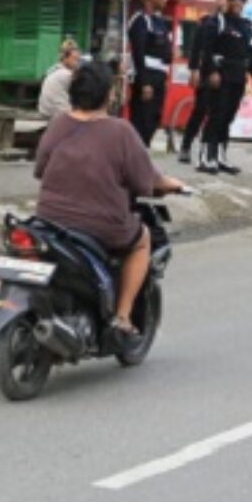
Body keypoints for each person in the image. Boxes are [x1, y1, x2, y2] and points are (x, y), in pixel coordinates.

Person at [34, 62, 185, 339]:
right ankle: (123, 317)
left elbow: (39, 170)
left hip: (48, 221)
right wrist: (169, 185)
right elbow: (145, 182)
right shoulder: (121, 132)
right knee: (142, 240)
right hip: (100, 225)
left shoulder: (58, 125)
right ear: (108, 95)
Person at [198, 0, 252, 175]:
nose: (235, 4)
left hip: (238, 76)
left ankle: (221, 156)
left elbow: (251, 54)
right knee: (217, 114)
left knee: (228, 117)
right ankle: (206, 156)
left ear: (244, 3)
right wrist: (212, 71)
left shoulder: (247, 26)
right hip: (222, 74)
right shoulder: (217, 22)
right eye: (232, 0)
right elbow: (207, 50)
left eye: (239, 1)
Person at [177, 0, 230, 165]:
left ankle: (211, 150)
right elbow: (196, 48)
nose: (222, 1)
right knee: (200, 110)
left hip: (226, 75)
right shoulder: (207, 22)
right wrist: (194, 70)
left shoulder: (233, 24)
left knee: (220, 113)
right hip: (207, 73)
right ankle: (186, 145)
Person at [127, 0, 172, 148]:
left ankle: (142, 152)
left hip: (159, 76)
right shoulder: (139, 21)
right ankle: (133, 155)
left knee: (155, 118)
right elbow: (138, 54)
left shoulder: (159, 21)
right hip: (146, 76)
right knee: (142, 119)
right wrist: (144, 82)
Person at [38, 38, 81, 122]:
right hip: (58, 112)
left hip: (44, 110)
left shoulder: (52, 70)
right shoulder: (67, 74)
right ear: (65, 58)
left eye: (78, 60)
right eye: (74, 59)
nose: (77, 63)